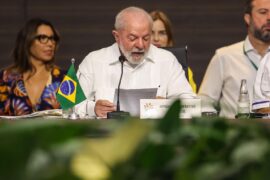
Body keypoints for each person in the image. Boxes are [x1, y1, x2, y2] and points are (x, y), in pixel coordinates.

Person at [76, 6, 195, 118]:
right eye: (133, 38)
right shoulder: (94, 61)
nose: (140, 45)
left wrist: (164, 105)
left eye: (146, 38)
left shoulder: (167, 61)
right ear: (116, 36)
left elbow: (190, 104)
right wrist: (93, 108)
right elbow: (68, 104)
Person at [198, 0, 270, 118]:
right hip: (236, 133)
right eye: (263, 12)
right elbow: (205, 103)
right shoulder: (225, 56)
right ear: (248, 18)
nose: (269, 17)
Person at [0, 18, 66, 116]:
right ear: (28, 40)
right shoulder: (6, 77)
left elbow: (77, 119)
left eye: (53, 38)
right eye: (43, 38)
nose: (50, 43)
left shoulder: (65, 79)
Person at [149, 10, 197, 93]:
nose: (156, 38)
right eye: (151, 33)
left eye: (162, 33)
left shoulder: (182, 70)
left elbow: (191, 102)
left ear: (169, 38)